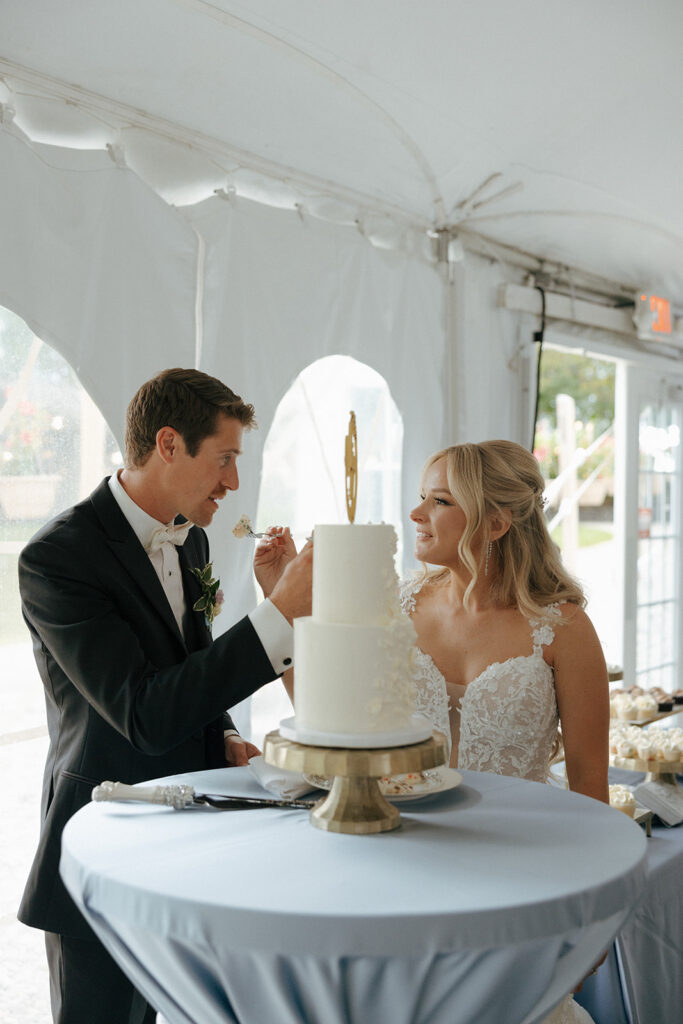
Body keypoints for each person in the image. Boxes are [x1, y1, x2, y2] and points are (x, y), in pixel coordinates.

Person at [17, 367, 312, 1024]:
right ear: (170, 444)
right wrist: (277, 617)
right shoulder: (56, 558)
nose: (234, 482)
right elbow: (144, 714)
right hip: (101, 840)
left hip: (190, 837)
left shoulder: (194, 539)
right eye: (225, 458)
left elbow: (189, 670)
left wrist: (226, 731)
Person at [405, 440, 609, 1024]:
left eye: (439, 501)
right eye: (422, 497)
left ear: (495, 523)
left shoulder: (563, 627)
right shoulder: (398, 606)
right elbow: (345, 730)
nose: (416, 514)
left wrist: (590, 919)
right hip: (406, 876)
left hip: (521, 881)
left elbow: (591, 792)